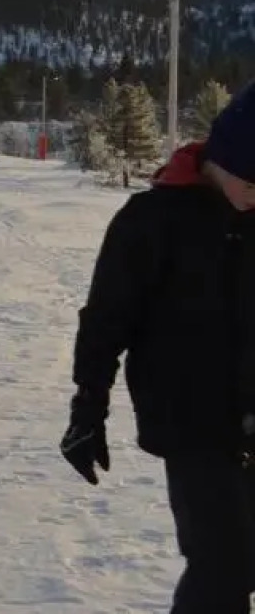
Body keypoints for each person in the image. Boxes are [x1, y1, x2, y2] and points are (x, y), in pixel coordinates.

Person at [61, 81, 255, 612]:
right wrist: (88, 407)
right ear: (224, 159)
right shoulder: (151, 222)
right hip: (193, 424)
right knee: (222, 571)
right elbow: (105, 321)